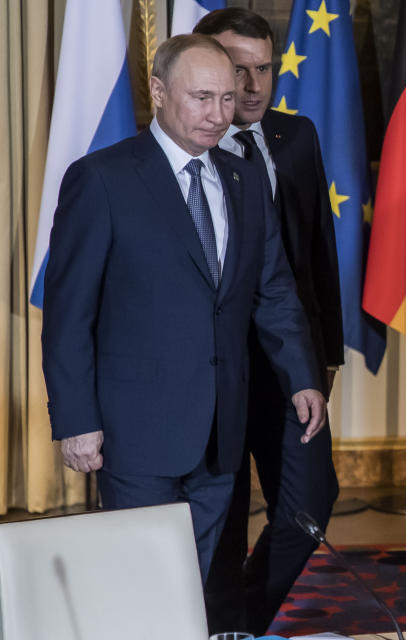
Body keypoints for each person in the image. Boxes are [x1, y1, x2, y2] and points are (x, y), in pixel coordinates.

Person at [41, 34, 327, 582]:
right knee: (140, 584)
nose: (219, 114)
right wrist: (77, 421)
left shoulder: (243, 179)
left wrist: (301, 378)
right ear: (157, 91)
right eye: (202, 97)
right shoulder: (102, 179)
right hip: (135, 436)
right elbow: (69, 315)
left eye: (227, 98)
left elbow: (273, 290)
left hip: (221, 434)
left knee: (191, 584)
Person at [193, 8, 344, 636]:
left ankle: (244, 618)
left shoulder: (297, 136)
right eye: (237, 71)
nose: (254, 87)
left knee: (310, 503)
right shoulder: (186, 152)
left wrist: (325, 355)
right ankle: (224, 624)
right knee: (221, 520)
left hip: (290, 367)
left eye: (264, 69)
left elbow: (316, 253)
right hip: (214, 370)